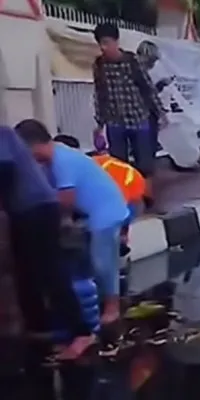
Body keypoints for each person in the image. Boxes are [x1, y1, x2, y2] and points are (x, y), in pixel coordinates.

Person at [16, 119, 129, 325]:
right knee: (87, 261)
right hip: (96, 212)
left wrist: (54, 218)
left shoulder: (62, 161)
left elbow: (66, 198)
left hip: (105, 212)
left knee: (103, 263)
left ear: (33, 145)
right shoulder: (56, 156)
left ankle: (112, 308)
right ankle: (100, 301)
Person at [0, 125, 95, 363]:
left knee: (50, 272)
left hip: (36, 209)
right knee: (26, 273)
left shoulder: (2, 135)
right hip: (22, 211)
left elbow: (5, 174)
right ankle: (38, 330)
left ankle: (81, 333)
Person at [92, 23, 165, 211]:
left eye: (107, 42)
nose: (103, 47)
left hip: (139, 119)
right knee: (119, 164)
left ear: (116, 41)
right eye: (100, 43)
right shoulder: (99, 65)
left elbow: (148, 89)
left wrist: (161, 114)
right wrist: (100, 123)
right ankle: (124, 201)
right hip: (115, 122)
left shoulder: (133, 62)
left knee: (145, 164)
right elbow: (100, 94)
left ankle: (148, 201)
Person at [53, 134, 145, 257]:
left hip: (119, 204)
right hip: (128, 201)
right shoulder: (91, 163)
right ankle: (119, 240)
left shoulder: (72, 169)